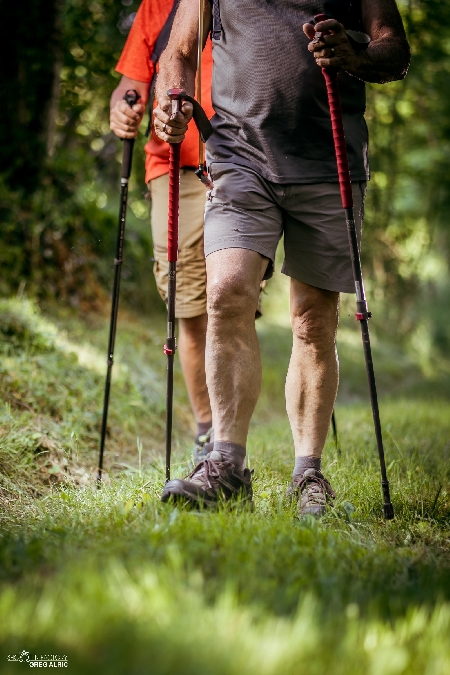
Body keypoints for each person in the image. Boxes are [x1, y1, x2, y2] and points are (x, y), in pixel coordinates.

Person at [154, 0, 410, 515]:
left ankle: (307, 474)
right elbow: (176, 52)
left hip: (329, 157)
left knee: (313, 319)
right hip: (237, 154)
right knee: (226, 292)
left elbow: (395, 49)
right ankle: (225, 466)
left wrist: (354, 54)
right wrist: (173, 100)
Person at [110, 0, 215, 461]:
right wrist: (121, 112)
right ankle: (210, 433)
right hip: (174, 168)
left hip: (247, 162)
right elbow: (127, 89)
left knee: (230, 298)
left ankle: (227, 437)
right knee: (189, 305)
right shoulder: (158, 7)